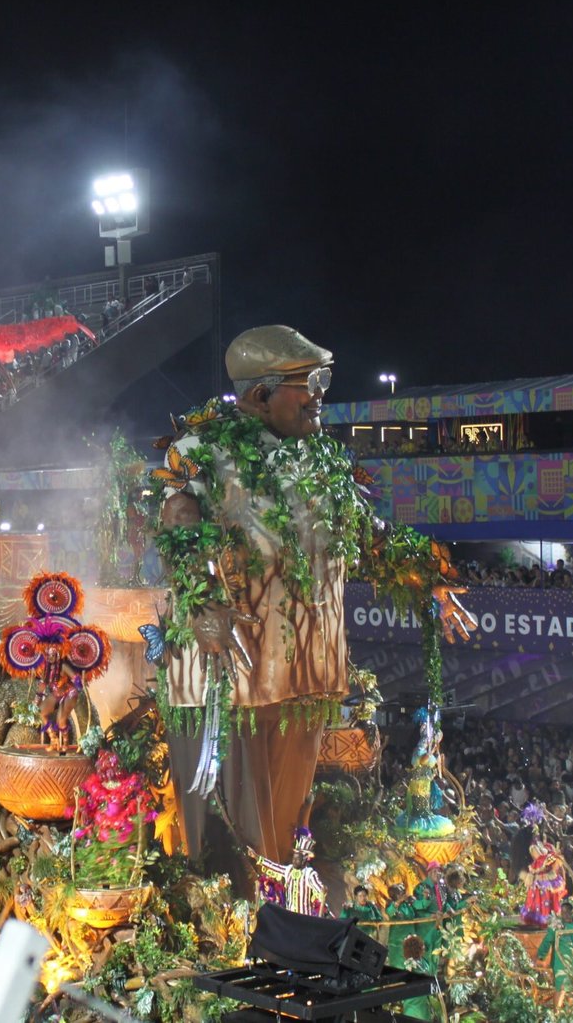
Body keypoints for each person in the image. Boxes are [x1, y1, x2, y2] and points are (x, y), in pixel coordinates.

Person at [152, 325, 472, 862]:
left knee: (287, 830)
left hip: (304, 673)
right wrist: (203, 602)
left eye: (323, 379)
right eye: (311, 381)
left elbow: (368, 535)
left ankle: (285, 918)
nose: (321, 393)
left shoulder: (321, 461)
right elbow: (179, 524)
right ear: (261, 394)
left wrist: (431, 577)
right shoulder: (202, 449)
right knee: (235, 834)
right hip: (234, 675)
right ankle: (236, 927)